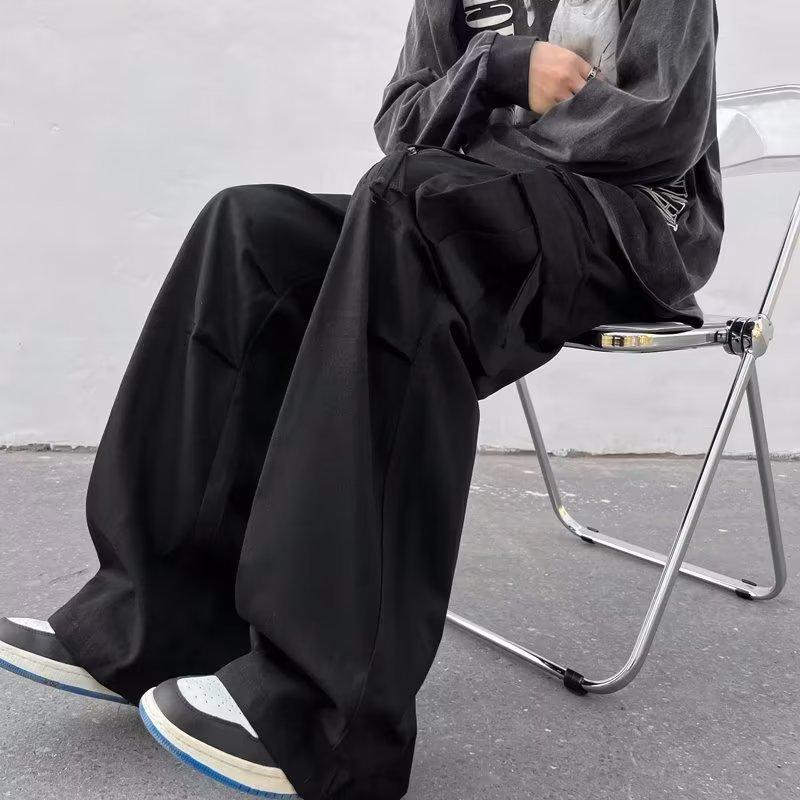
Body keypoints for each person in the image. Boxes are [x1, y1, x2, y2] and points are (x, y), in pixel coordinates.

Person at [0, 1, 722, 798]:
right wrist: (495, 71)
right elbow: (401, 121)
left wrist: (471, 137)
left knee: (408, 209)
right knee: (248, 230)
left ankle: (326, 721)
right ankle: (157, 623)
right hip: (458, 203)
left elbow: (657, 134)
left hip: (628, 229)